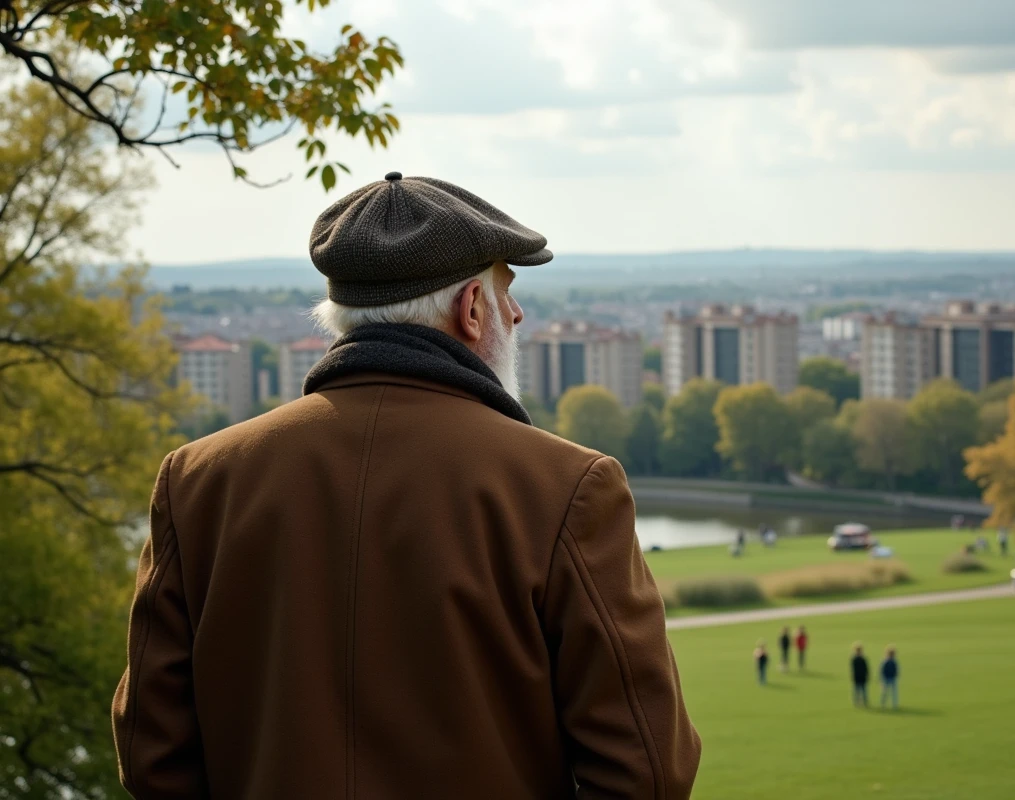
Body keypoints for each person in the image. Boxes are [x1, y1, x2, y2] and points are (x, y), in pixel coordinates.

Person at [111, 174, 700, 798]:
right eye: (507, 290)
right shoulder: (567, 488)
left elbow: (152, 752)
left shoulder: (200, 480)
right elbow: (648, 772)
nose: (518, 313)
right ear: (471, 309)